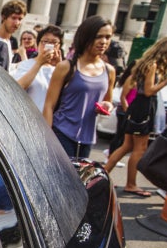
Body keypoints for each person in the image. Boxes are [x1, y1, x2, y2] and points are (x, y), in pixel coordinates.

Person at [104, 36, 167, 197]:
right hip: (143, 108)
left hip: (138, 108)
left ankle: (103, 176)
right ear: (165, 49)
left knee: (127, 146)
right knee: (139, 148)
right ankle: (131, 184)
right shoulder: (152, 65)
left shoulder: (146, 63)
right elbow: (149, 91)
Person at [43, 15, 116, 159]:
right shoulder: (66, 67)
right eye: (98, 36)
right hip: (62, 133)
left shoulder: (109, 70)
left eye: (108, 37)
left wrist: (107, 106)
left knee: (79, 180)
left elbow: (108, 100)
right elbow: (49, 105)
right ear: (86, 37)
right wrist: (47, 138)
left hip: (88, 138)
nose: (103, 42)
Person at [13, 25, 63, 112]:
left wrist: (59, 66)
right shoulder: (26, 64)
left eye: (54, 42)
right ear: (38, 43)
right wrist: (39, 63)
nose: (49, 45)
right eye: (45, 41)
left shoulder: (60, 69)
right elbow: (18, 88)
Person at [0, 0, 27, 69]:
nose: (17, 23)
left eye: (20, 19)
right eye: (13, 18)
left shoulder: (8, 41)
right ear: (3, 17)